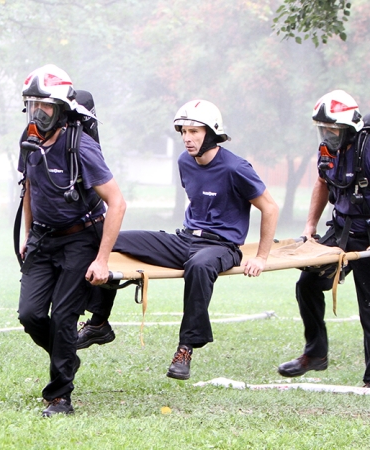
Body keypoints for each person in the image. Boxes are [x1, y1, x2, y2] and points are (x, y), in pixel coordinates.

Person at [77, 99, 279, 380]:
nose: (187, 138)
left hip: (221, 246)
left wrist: (260, 256)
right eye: (183, 131)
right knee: (110, 240)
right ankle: (99, 323)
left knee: (199, 265)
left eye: (194, 131)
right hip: (184, 240)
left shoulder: (236, 168)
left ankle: (185, 348)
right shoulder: (185, 161)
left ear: (211, 132)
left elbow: (270, 208)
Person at [278, 90, 370, 390]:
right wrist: (310, 224)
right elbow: (321, 181)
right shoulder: (328, 149)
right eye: (322, 129)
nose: (325, 135)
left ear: (346, 128)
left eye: (331, 129)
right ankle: (315, 355)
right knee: (308, 285)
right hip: (340, 233)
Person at [16, 64, 126, 416]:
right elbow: (29, 189)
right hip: (42, 240)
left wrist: (102, 259)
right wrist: (27, 234)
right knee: (30, 315)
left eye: (45, 105)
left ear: (61, 106)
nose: (38, 111)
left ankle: (60, 397)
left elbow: (118, 203)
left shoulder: (81, 145)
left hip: (80, 238)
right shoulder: (28, 140)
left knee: (64, 316)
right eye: (33, 104)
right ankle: (67, 356)